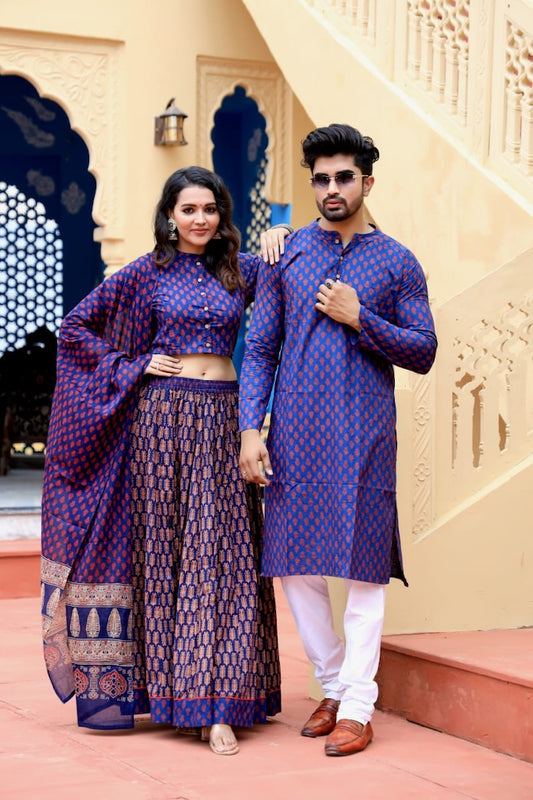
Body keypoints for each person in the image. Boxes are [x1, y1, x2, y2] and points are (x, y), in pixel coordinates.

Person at [40, 166, 288, 756]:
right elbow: (76, 329)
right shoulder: (144, 275)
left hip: (224, 420)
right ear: (170, 216)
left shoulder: (241, 268)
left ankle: (219, 701)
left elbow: (300, 271)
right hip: (161, 425)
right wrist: (136, 364)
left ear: (221, 214)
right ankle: (181, 696)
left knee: (223, 551)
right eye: (189, 210)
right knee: (168, 553)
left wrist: (283, 230)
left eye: (210, 209)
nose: (200, 220)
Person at [239, 124, 438, 757]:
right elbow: (262, 347)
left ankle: (357, 704)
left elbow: (425, 351)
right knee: (295, 567)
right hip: (294, 431)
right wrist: (250, 428)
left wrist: (362, 316)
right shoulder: (287, 252)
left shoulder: (398, 260)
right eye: (320, 178)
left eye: (343, 177)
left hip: (365, 433)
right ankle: (332, 683)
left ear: (367, 182)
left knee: (363, 570)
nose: (331, 188)